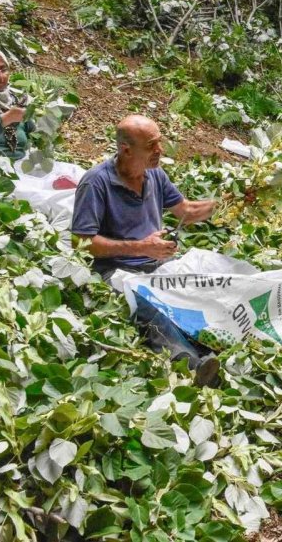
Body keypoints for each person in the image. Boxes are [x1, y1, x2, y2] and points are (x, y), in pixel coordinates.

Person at [72, 115, 219, 386]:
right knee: (148, 306)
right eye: (151, 145)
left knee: (197, 291)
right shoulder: (96, 183)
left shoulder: (155, 174)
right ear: (126, 149)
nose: (159, 151)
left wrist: (227, 202)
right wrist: (141, 247)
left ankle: (212, 351)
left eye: (159, 143)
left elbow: (185, 210)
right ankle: (189, 364)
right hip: (115, 270)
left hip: (155, 265)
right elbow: (81, 242)